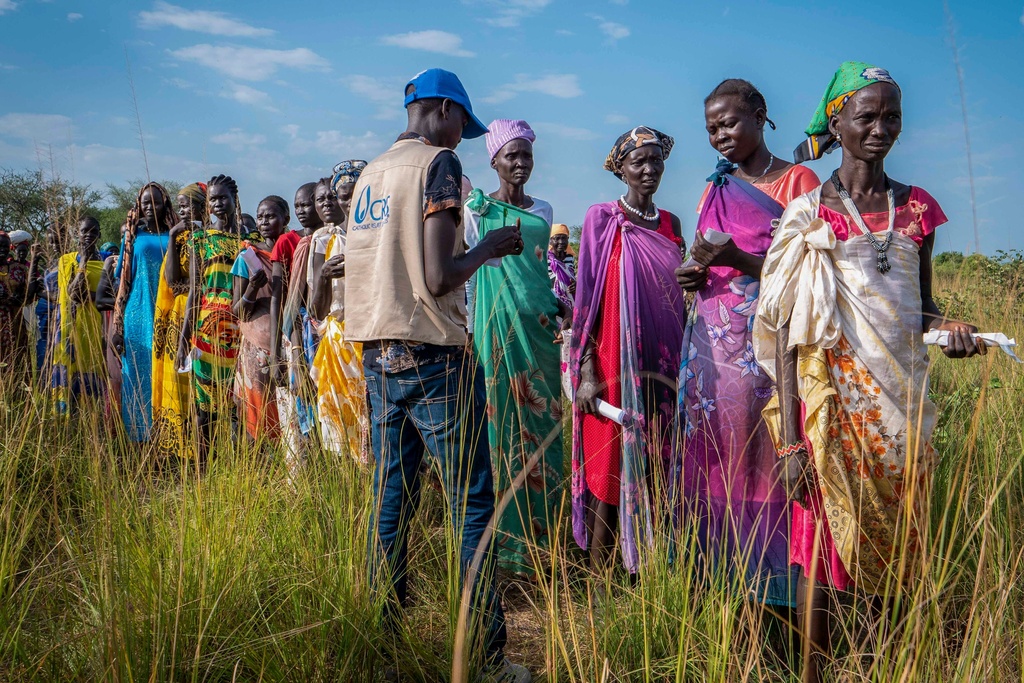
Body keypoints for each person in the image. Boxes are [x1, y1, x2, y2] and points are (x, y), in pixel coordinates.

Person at [752, 62, 987, 683]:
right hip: (830, 407)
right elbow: (781, 328)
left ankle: (876, 665)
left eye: (893, 117)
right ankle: (813, 671)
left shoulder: (918, 210)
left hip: (899, 410)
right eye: (867, 116)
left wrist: (954, 332)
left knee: (897, 545)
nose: (881, 128)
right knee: (824, 551)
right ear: (838, 122)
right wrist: (794, 436)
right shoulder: (808, 214)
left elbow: (923, 309)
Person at [344, 68, 529, 681]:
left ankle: (382, 641)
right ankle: (485, 658)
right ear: (444, 109)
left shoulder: (369, 174)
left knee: (390, 500)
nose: (462, 138)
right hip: (432, 356)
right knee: (471, 504)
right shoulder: (439, 166)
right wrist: (490, 249)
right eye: (462, 124)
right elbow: (439, 276)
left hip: (376, 355)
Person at [674, 80, 819, 610]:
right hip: (711, 353)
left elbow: (806, 271)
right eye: (712, 128)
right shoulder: (714, 185)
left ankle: (778, 589)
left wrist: (740, 262)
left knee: (770, 454)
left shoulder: (799, 181)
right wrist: (693, 274)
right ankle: (721, 582)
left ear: (760, 116)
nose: (720, 136)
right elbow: (702, 256)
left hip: (771, 347)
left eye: (729, 123)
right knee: (718, 458)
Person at [570, 126, 687, 576]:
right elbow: (586, 298)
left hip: (662, 362)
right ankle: (600, 579)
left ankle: (649, 570)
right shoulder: (602, 218)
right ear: (621, 169)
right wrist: (584, 370)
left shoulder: (671, 224)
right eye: (638, 162)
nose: (650, 169)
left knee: (658, 460)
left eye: (656, 160)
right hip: (612, 362)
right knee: (610, 466)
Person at [464, 119, 563, 579]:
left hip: (540, 331)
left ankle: (548, 546)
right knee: (500, 432)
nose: (521, 163)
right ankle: (506, 553)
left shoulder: (542, 209)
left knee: (544, 429)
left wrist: (560, 306)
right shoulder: (475, 212)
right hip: (494, 330)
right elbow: (464, 271)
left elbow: (539, 275)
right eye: (512, 155)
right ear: (494, 161)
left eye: (527, 155)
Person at [181, 175, 259, 460]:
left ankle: (240, 469)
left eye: (222, 197)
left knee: (238, 403)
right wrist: (182, 339)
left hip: (241, 328)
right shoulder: (199, 239)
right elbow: (193, 290)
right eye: (212, 199)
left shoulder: (248, 240)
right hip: (206, 331)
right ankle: (205, 469)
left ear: (234, 199)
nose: (217, 203)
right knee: (205, 408)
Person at [97, 183, 177, 443]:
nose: (149, 207)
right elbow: (123, 285)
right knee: (138, 379)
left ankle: (166, 441)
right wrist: (118, 328)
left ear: (165, 203)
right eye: (145, 202)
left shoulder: (176, 234)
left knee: (167, 377)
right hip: (137, 314)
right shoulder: (133, 237)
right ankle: (139, 442)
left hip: (169, 315)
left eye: (155, 201)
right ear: (138, 205)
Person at [309, 161, 371, 461]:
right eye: (344, 196)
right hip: (337, 341)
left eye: (357, 193)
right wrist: (324, 275)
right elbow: (317, 309)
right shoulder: (325, 240)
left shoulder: (378, 235)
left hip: (372, 339)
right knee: (337, 427)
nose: (350, 201)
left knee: (371, 425)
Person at [151, 182, 205, 460]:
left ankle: (201, 450)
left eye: (189, 205)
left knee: (199, 383)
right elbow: (173, 281)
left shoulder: (208, 239)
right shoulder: (182, 239)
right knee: (180, 378)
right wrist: (173, 237)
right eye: (180, 205)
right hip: (178, 315)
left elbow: (197, 285)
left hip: (200, 315)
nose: (183, 210)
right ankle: (181, 449)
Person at [231, 195, 288, 443]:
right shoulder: (248, 258)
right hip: (257, 347)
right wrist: (253, 289)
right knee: (257, 413)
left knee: (290, 412)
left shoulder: (295, 250)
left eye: (271, 216)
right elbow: (237, 311)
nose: (264, 221)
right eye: (261, 216)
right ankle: (258, 471)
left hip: (289, 341)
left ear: (286, 219)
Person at [277, 181, 324, 471]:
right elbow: (292, 305)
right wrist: (294, 351)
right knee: (306, 405)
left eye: (307, 204)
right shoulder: (302, 245)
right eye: (298, 206)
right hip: (304, 336)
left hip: (329, 334)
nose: (302, 211)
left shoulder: (328, 239)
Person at [52, 217, 107, 413]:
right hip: (68, 326)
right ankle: (66, 419)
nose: (89, 236)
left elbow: (109, 295)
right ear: (78, 233)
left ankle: (90, 417)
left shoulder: (105, 262)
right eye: (85, 231)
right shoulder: (66, 260)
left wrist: (93, 296)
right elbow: (73, 294)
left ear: (99, 235)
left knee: (92, 371)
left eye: (93, 232)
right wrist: (83, 260)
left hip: (94, 327)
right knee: (67, 370)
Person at [0, 231, 32, 381]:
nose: (2, 249)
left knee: (17, 357)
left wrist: (20, 299)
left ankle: (19, 397)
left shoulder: (19, 269)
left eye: (5, 246)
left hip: (15, 322)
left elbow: (29, 296)